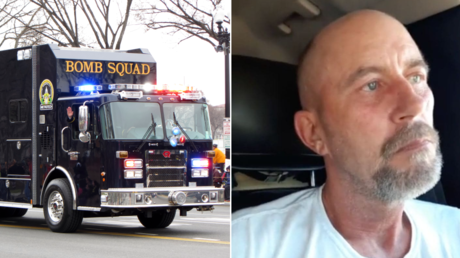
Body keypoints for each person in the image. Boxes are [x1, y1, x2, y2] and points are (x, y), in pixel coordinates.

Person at [232, 10, 460, 258]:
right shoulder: (245, 244)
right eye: (372, 85)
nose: (415, 106)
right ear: (314, 133)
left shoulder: (454, 230)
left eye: (416, 77)